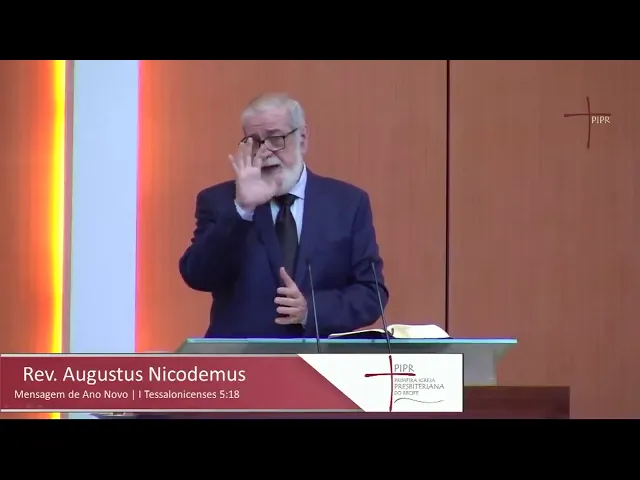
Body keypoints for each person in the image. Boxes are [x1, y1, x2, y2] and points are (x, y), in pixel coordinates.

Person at [179, 93, 389, 338]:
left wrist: (311, 310)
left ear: (302, 139)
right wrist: (243, 208)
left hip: (316, 355)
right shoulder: (220, 201)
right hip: (241, 357)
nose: (265, 151)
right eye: (254, 141)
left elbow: (371, 293)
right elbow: (198, 276)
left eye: (275, 138)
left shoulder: (348, 203)